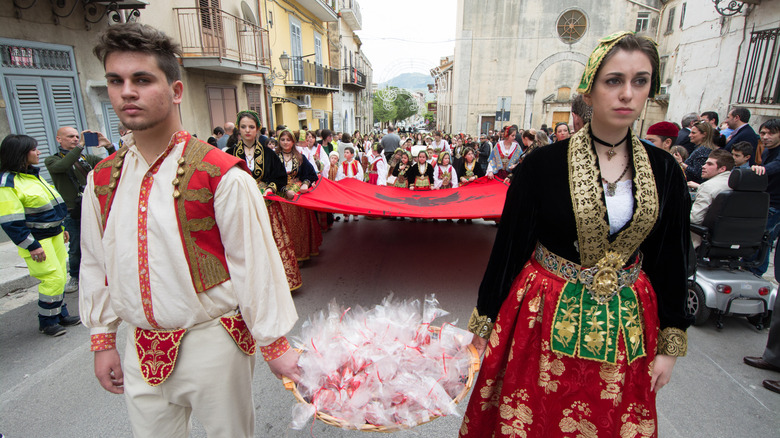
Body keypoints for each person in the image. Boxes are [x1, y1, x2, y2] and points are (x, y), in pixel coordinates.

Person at [460, 32, 691, 437]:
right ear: (590, 87)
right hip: (543, 320)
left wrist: (671, 343)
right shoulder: (543, 165)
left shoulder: (664, 169)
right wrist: (483, 328)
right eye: (613, 80)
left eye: (640, 81)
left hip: (626, 329)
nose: (627, 94)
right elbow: (509, 249)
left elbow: (671, 256)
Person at [81, 24, 300, 437]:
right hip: (139, 346)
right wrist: (103, 337)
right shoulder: (102, 179)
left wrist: (275, 345)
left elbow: (254, 265)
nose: (127, 91)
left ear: (176, 90)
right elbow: (96, 262)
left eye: (142, 80)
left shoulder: (221, 176)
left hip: (211, 342)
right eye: (116, 81)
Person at [0, 134, 80, 336]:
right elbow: (11, 221)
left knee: (61, 276)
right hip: (37, 240)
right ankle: (47, 321)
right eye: (34, 149)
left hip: (54, 235)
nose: (39, 152)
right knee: (52, 278)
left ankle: (60, 314)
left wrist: (61, 230)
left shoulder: (32, 176)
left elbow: (50, 206)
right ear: (20, 153)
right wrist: (31, 245)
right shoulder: (8, 183)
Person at [224, 110, 302, 291]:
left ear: (258, 129)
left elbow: (280, 177)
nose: (247, 130)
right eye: (243, 127)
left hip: (266, 205)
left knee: (271, 242)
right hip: (241, 205)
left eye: (251, 127)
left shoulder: (268, 154)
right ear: (238, 129)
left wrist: (270, 188)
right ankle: (251, 286)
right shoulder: (230, 153)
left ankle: (276, 284)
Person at [45, 127, 115, 294]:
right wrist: (80, 147)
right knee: (76, 246)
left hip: (91, 206)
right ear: (59, 139)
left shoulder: (86, 158)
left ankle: (105, 273)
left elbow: (112, 163)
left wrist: (108, 146)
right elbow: (63, 166)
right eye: (71, 137)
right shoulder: (52, 160)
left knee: (102, 241)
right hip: (72, 210)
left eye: (77, 137)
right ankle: (75, 276)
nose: (76, 139)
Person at [276, 129, 322, 259]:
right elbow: (269, 177)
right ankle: (285, 257)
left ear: (293, 141)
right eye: (283, 140)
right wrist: (284, 190)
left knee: (299, 226)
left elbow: (311, 173)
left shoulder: (299, 157)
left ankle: (300, 254)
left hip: (297, 197)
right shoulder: (274, 157)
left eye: (288, 140)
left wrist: (305, 183)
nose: (285, 142)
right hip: (280, 195)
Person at [748, 118, 780, 276]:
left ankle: (757, 271)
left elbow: (775, 167)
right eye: (763, 133)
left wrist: (762, 169)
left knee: (764, 237)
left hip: (775, 204)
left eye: (771, 133)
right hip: (765, 200)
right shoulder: (767, 150)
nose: (766, 137)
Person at [689, 149, 735, 248]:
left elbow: (695, 219)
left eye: (709, 164)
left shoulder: (707, 186)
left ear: (722, 169)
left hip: (703, 242)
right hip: (734, 240)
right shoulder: (739, 184)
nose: (703, 166)